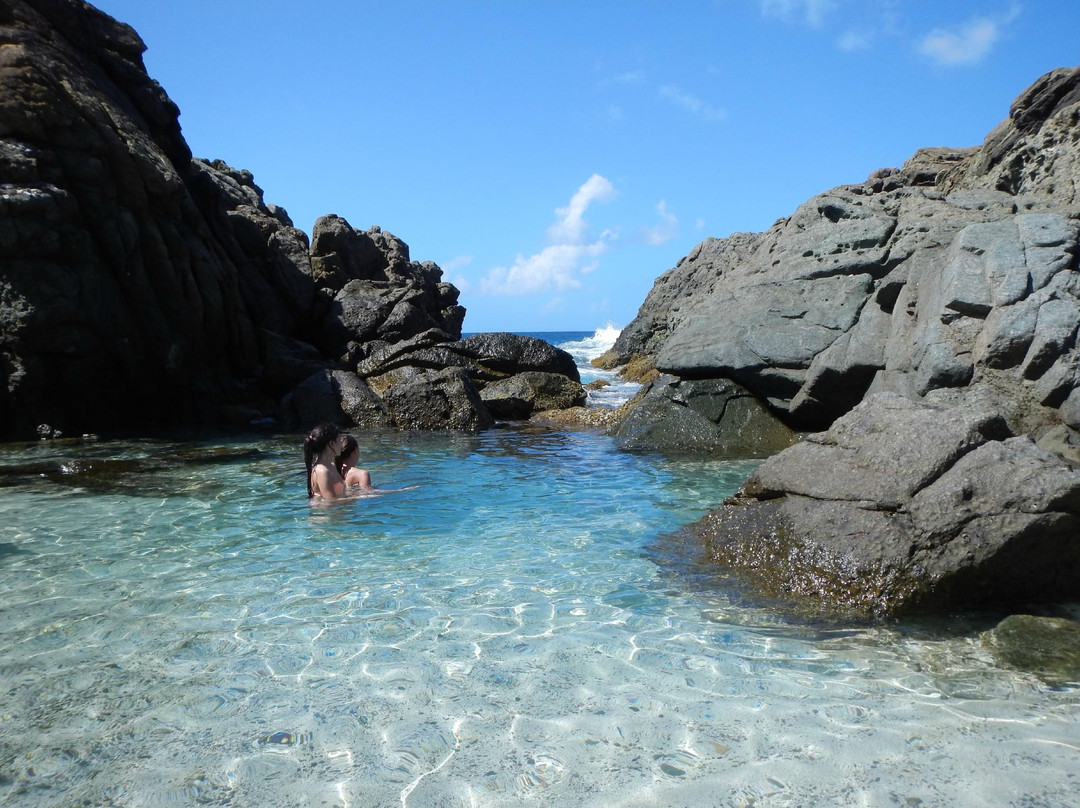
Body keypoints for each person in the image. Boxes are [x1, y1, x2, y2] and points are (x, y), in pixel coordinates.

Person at [304, 423, 348, 500]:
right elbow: (330, 502)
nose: (341, 443)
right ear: (331, 443)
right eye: (339, 440)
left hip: (339, 510)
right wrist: (358, 498)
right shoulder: (322, 472)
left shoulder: (331, 465)